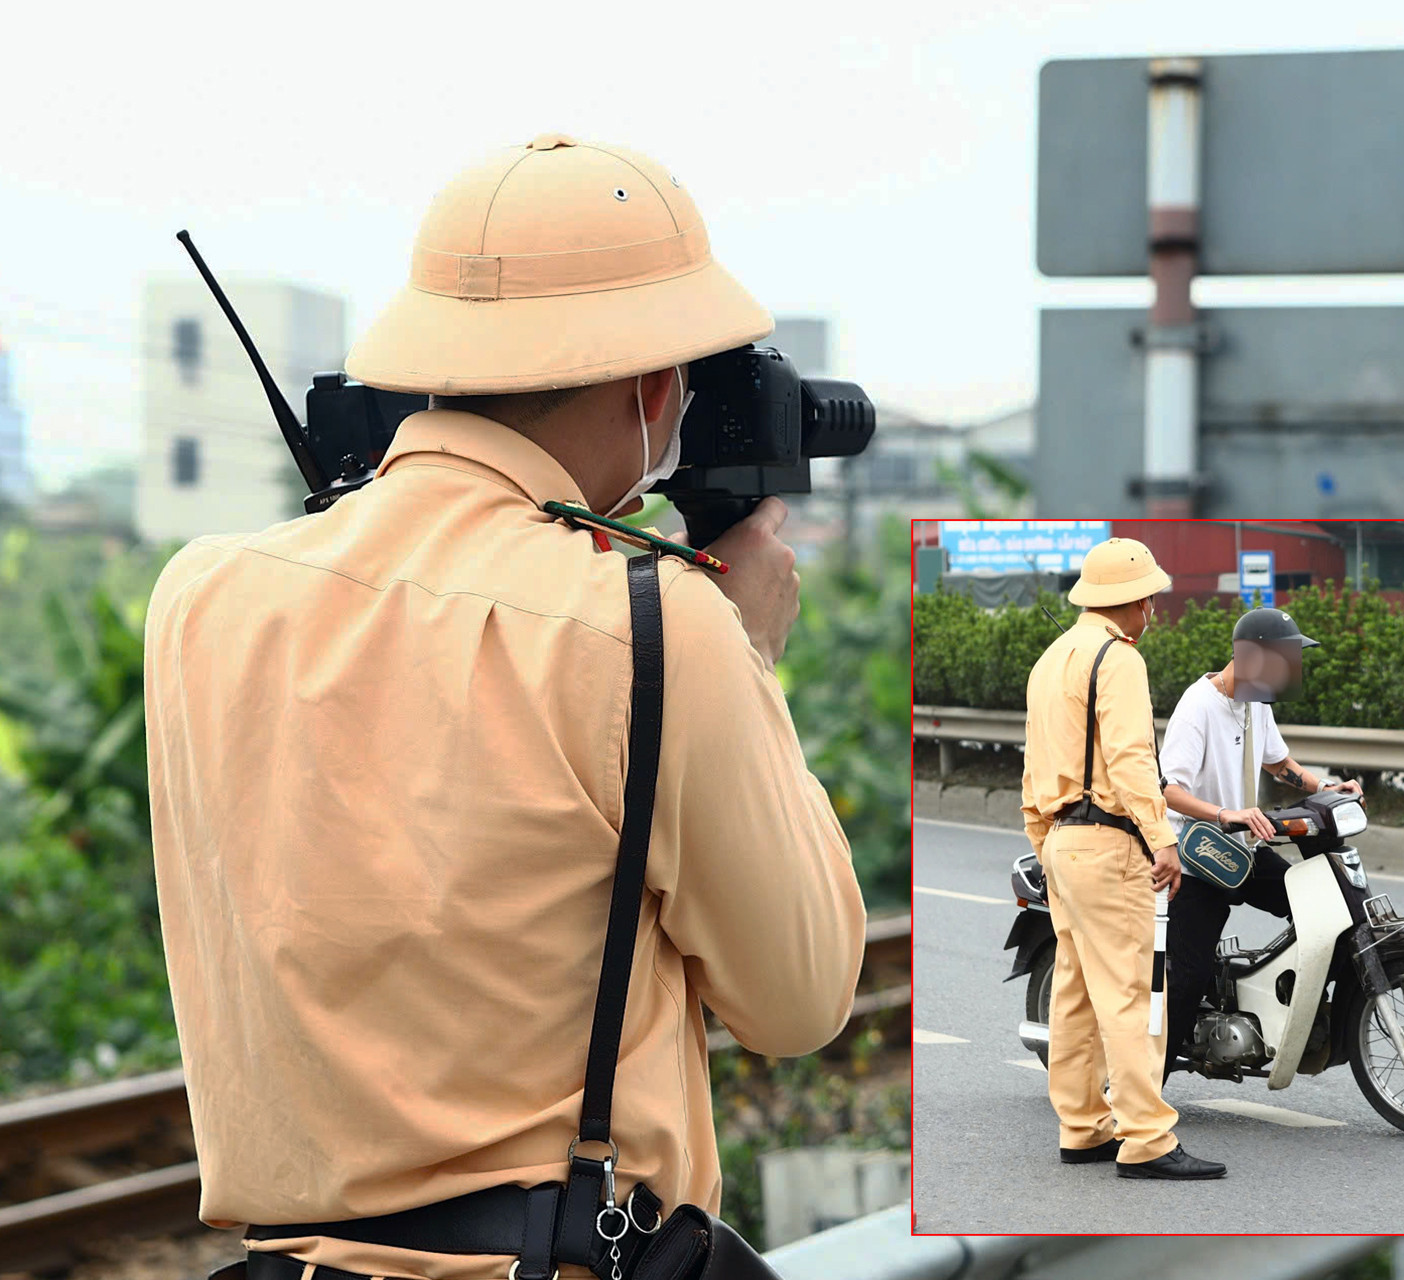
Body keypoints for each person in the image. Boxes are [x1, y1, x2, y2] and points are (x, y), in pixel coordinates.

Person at [145, 134, 867, 1280]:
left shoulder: (197, 595)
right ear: (652, 386)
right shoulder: (652, 624)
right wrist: (748, 653)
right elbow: (801, 995)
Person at [1019, 537, 1225, 1180]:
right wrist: (1163, 838)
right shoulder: (1119, 658)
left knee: (1076, 994)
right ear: (1131, 601)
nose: (1154, 611)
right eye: (1150, 599)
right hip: (1109, 844)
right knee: (1130, 995)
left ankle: (1082, 1128)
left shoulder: (1051, 660)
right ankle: (1147, 1139)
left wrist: (1045, 842)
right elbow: (1134, 757)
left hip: (1060, 842)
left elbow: (1031, 769)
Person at [1158, 607, 1362, 1081]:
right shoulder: (1197, 707)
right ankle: (1142, 1099)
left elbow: (1279, 764)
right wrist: (1225, 813)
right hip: (1197, 861)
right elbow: (1168, 789)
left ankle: (1296, 1011)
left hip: (1242, 851)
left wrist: (1327, 787)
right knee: (1184, 984)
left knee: (1325, 912)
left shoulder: (1256, 704)